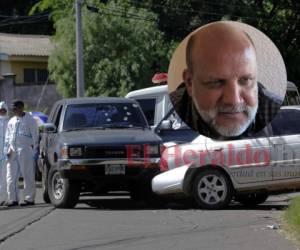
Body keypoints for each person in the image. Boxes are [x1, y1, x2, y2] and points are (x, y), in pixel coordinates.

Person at [170, 22, 283, 140]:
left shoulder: (276, 110)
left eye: (245, 80)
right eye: (216, 82)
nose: (233, 101)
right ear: (189, 83)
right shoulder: (173, 107)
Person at [5, 100, 39, 207]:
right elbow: (7, 137)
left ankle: (29, 198)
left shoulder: (30, 120)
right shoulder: (11, 121)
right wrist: (7, 149)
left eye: (15, 108)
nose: (13, 110)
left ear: (21, 108)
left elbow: (35, 136)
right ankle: (13, 199)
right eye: (12, 109)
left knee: (27, 174)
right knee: (11, 175)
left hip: (25, 150)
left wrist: (33, 151)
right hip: (12, 150)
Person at [0, 102, 9, 206]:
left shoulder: (10, 122)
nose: (2, 112)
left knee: (4, 178)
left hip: (6, 154)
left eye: (3, 110)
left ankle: (2, 199)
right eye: (0, 110)